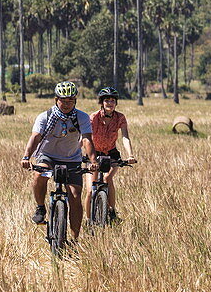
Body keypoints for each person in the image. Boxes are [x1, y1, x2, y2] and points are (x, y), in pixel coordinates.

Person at [19, 80, 98, 240]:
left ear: (75, 101)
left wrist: (93, 160)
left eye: (71, 100)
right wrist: (26, 156)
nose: (67, 104)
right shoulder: (45, 116)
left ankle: (74, 239)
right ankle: (41, 208)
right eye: (63, 100)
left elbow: (87, 140)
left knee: (75, 197)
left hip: (71, 159)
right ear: (56, 100)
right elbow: (35, 137)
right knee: (39, 175)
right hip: (48, 156)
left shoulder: (81, 117)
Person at [88, 86, 137, 222]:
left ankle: (112, 210)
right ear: (102, 102)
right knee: (90, 188)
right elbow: (85, 138)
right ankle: (88, 219)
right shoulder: (94, 117)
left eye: (112, 100)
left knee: (108, 179)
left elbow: (125, 137)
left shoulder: (120, 117)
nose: (110, 103)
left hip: (111, 152)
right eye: (107, 100)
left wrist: (130, 155)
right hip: (94, 153)